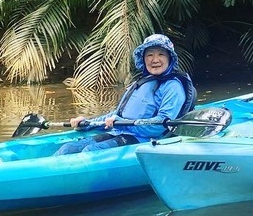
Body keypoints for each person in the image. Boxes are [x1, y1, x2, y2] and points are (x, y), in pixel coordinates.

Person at [55, 34, 197, 155]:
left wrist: (122, 124)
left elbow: (161, 125)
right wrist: (88, 123)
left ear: (170, 58)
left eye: (161, 54)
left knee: (90, 151)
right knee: (68, 148)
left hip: (146, 140)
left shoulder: (173, 87)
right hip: (119, 132)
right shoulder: (141, 83)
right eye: (150, 55)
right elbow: (118, 114)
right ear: (143, 59)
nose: (155, 59)